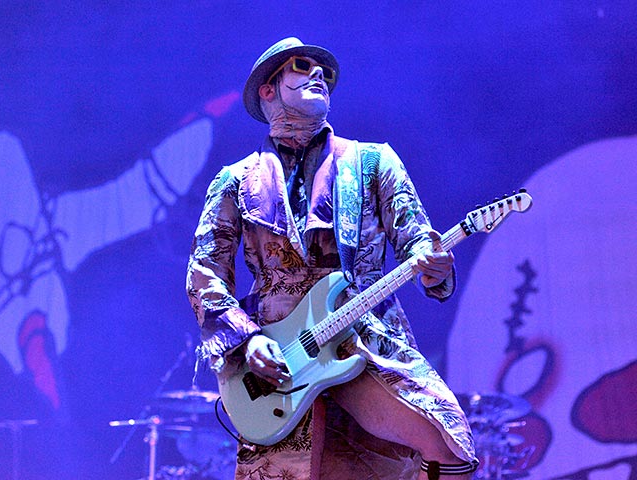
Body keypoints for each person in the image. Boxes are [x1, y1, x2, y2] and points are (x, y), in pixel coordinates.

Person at [186, 37, 479, 480]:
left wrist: (433, 266)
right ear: (268, 89)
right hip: (279, 360)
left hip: (364, 334)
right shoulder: (235, 180)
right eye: (302, 66)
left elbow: (418, 239)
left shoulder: (373, 161)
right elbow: (204, 272)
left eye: (323, 71)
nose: (319, 74)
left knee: (449, 445)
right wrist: (247, 341)